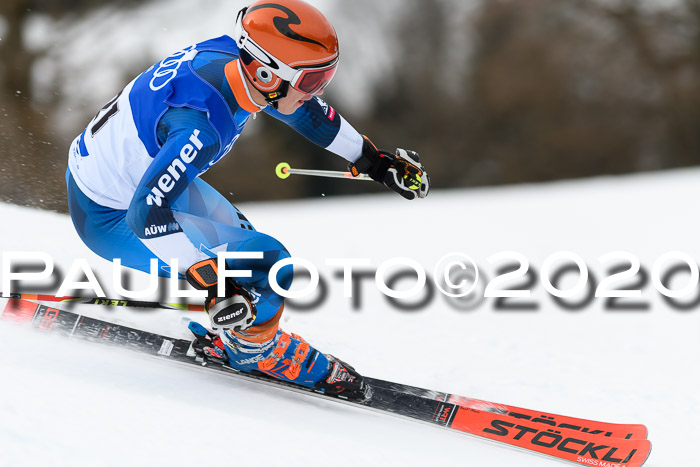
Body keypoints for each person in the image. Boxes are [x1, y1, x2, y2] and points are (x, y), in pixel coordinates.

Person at [65, 0, 430, 400]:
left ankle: (239, 329)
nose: (319, 90)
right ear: (264, 72)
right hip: (110, 216)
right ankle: (255, 351)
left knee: (246, 246)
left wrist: (371, 160)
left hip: (123, 181)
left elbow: (303, 112)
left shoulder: (232, 58)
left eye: (326, 76)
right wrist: (212, 281)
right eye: (311, 81)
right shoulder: (200, 127)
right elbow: (145, 215)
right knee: (269, 264)